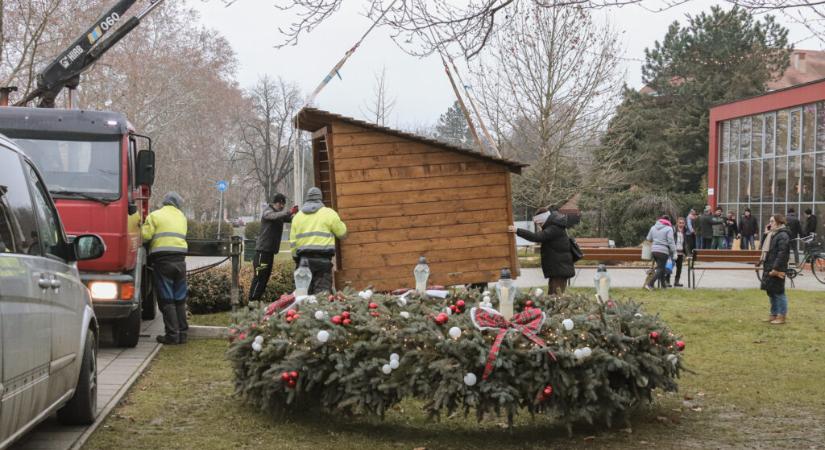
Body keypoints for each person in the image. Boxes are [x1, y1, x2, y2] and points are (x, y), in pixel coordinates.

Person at [142, 192, 189, 345]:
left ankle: (172, 336)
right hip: (180, 262)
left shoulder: (155, 215)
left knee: (167, 299)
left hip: (163, 262)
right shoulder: (182, 217)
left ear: (165, 202)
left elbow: (145, 236)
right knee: (180, 299)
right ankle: (183, 335)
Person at [289, 187, 347, 295]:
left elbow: (293, 243)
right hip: (323, 262)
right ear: (320, 199)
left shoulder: (297, 217)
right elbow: (342, 233)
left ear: (307, 199)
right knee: (322, 296)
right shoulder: (329, 213)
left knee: (303, 296)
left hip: (303, 261)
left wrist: (297, 259)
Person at [511, 207, 574, 295]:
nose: (540, 226)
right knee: (553, 296)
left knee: (556, 297)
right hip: (557, 269)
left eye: (540, 223)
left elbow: (536, 237)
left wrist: (517, 230)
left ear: (544, 220)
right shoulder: (555, 225)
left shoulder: (554, 228)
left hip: (560, 269)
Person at [248, 193, 298, 300]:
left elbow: (291, 219)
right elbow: (274, 216)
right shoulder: (268, 211)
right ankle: (252, 303)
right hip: (262, 252)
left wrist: (296, 214)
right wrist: (289, 211)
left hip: (270, 253)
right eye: (282, 205)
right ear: (278, 203)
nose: (283, 207)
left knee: (265, 278)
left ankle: (256, 302)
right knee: (259, 277)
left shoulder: (279, 214)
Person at [759, 214, 790, 325]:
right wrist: (765, 233)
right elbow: (762, 247)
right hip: (769, 266)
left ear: (778, 222)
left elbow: (782, 254)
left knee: (779, 292)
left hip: (777, 268)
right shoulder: (772, 234)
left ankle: (781, 316)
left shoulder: (783, 235)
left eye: (772, 221)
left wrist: (775, 268)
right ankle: (773, 314)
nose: (769, 223)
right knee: (771, 292)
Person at [645, 215, 676, 290]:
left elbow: (648, 238)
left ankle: (663, 286)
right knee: (661, 268)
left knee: (661, 267)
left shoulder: (653, 227)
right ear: (668, 221)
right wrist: (674, 251)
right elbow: (671, 241)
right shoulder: (669, 228)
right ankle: (650, 284)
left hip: (654, 250)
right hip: (663, 251)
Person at [673, 217, 686, 287]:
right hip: (674, 252)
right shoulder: (673, 230)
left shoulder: (685, 231)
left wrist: (686, 253)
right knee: (670, 267)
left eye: (683, 223)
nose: (681, 224)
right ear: (677, 223)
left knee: (679, 268)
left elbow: (685, 243)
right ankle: (667, 281)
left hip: (681, 252)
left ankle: (676, 281)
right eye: (680, 223)